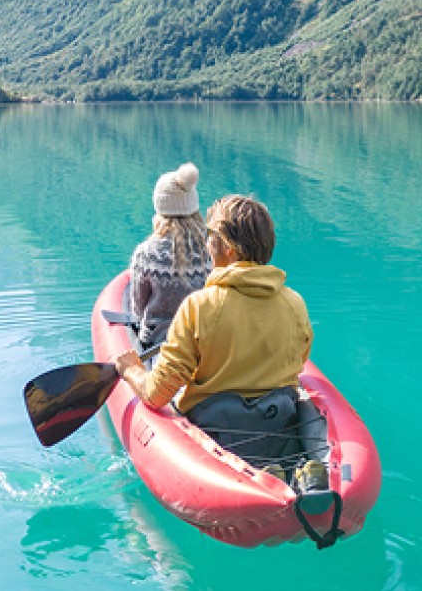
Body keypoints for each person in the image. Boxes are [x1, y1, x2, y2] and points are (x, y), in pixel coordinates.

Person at [115, 195, 323, 484]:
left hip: (217, 436)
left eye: (210, 234)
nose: (206, 242)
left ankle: (261, 478)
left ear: (228, 247)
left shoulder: (200, 306)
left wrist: (131, 370)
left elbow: (157, 393)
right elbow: (299, 362)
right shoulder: (295, 303)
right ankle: (293, 473)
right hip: (276, 425)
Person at [129, 163, 213, 347]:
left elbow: (137, 309)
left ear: (160, 207)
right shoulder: (211, 249)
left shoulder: (146, 254)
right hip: (201, 339)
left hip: (157, 341)